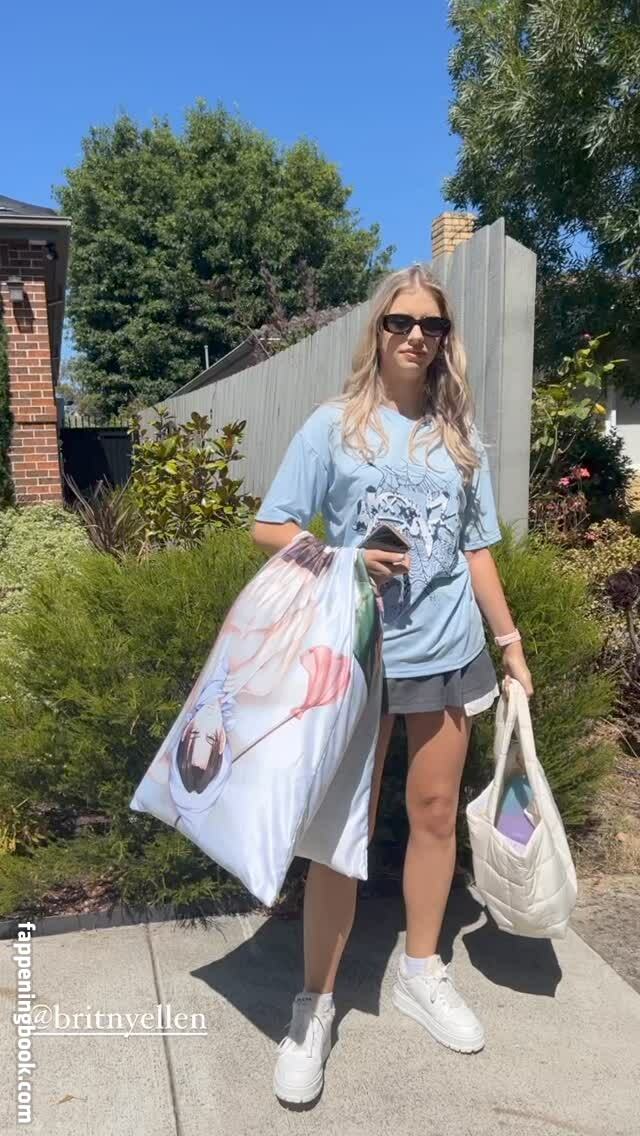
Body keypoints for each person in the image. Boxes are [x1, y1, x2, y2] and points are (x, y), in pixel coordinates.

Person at [251, 261, 534, 1106]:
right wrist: (343, 556)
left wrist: (510, 641)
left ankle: (421, 970)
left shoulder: (460, 438)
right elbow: (270, 527)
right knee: (342, 831)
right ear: (377, 332)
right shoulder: (332, 427)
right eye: (400, 322)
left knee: (436, 813)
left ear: (446, 340)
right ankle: (314, 1005)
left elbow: (476, 549)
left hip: (449, 652)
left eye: (431, 325)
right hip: (361, 653)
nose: (416, 336)